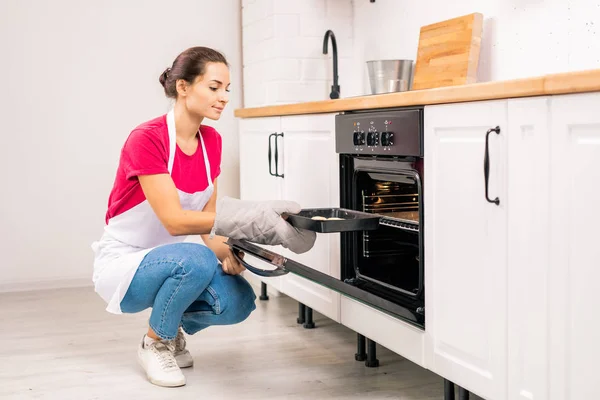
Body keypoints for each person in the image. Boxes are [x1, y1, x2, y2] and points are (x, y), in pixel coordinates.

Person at [91, 46, 316, 388]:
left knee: (239, 301)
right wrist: (251, 215)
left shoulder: (211, 141)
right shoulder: (147, 139)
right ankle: (155, 343)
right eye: (214, 87)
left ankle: (170, 324)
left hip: (178, 260)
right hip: (125, 266)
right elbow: (176, 222)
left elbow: (209, 219)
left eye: (227, 88)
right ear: (183, 87)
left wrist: (228, 251)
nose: (223, 97)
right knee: (194, 259)